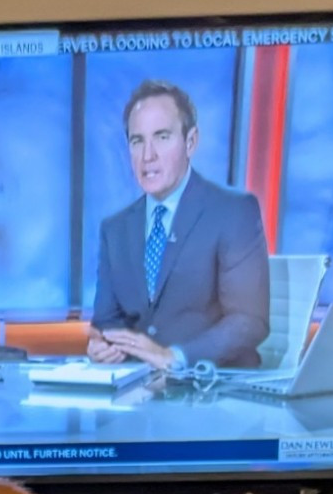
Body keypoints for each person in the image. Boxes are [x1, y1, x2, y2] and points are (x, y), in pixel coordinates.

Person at [89, 80, 270, 371]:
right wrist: (105, 345)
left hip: (213, 392)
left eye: (162, 137)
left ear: (190, 142)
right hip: (140, 392)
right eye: (137, 141)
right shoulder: (115, 229)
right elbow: (107, 321)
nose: (148, 156)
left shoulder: (233, 211)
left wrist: (175, 357)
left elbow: (249, 321)